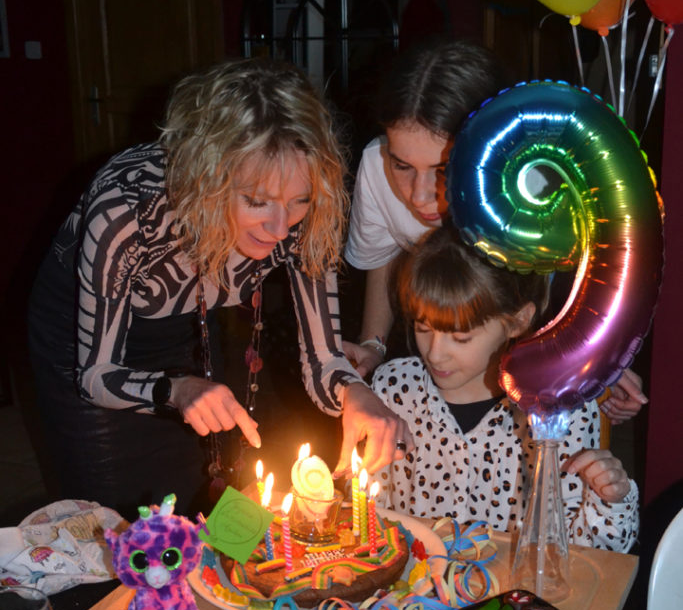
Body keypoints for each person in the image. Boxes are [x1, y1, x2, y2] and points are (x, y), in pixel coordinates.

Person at [28, 58, 410, 519]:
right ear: (209, 181)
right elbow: (95, 375)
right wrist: (176, 390)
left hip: (192, 322)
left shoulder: (307, 213)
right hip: (86, 342)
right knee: (124, 522)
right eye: (257, 201)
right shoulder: (127, 212)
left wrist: (355, 395)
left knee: (208, 496)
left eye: (300, 200)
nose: (280, 227)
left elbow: (323, 359)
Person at [342, 36, 646, 423]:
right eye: (402, 166)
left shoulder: (544, 180)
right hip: (446, 333)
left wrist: (599, 355)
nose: (419, 196)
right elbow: (381, 254)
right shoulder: (375, 166)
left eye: (443, 169)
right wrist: (374, 345)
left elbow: (604, 275)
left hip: (541, 328)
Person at [368, 225, 638, 552]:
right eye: (423, 328)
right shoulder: (395, 390)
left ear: (517, 321)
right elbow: (369, 517)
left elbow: (584, 555)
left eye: (461, 337)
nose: (435, 353)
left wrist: (609, 500)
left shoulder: (560, 409)